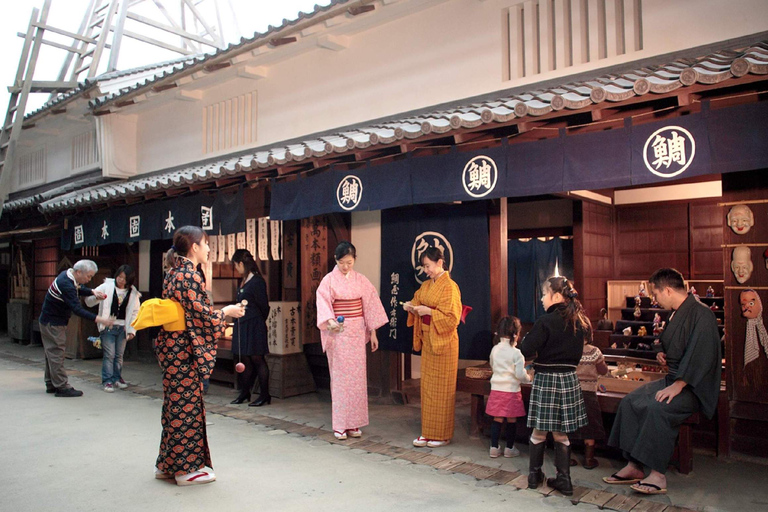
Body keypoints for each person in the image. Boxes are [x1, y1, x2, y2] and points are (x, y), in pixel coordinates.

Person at [604, 268, 721, 495]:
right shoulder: (675, 313)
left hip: (693, 387)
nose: (655, 299)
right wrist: (662, 353)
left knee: (658, 408)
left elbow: (702, 354)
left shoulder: (702, 314)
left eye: (656, 294)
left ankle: (658, 475)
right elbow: (671, 344)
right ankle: (634, 466)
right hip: (673, 378)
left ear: (667, 290)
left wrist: (679, 385)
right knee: (631, 401)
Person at [154, 226, 245, 486]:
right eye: (205, 244)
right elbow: (202, 317)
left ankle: (167, 465)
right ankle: (186, 470)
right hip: (184, 350)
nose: (208, 249)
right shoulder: (188, 276)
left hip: (172, 348)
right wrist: (225, 312)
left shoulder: (172, 273)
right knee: (187, 408)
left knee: (174, 406)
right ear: (193, 247)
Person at [519, 276, 590, 496]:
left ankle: (534, 476)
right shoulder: (580, 321)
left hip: (546, 379)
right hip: (568, 379)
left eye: (544, 293)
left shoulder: (545, 321)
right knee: (561, 435)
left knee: (539, 433)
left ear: (556, 296)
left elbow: (526, 348)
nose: (541, 299)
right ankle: (564, 480)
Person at [316, 241, 388, 440]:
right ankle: (340, 424)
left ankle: (354, 423)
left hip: (357, 334)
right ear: (335, 261)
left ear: (354, 259)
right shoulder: (328, 281)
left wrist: (373, 332)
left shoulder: (361, 280)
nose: (346, 266)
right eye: (342, 263)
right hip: (338, 334)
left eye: (349, 262)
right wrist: (330, 322)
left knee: (357, 380)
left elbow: (370, 306)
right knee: (340, 380)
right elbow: (323, 304)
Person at [403, 247, 462, 448]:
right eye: (424, 267)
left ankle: (442, 435)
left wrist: (428, 310)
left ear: (440, 262)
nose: (425, 270)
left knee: (442, 390)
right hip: (429, 340)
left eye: (428, 266)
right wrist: (410, 306)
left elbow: (452, 318)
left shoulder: (450, 286)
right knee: (428, 387)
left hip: (444, 342)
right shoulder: (427, 285)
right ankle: (428, 432)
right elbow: (417, 298)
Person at [39, 259, 113, 397]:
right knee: (56, 354)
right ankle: (61, 387)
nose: (89, 279)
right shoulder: (66, 283)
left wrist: (91, 292)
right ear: (79, 272)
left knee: (52, 354)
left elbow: (77, 289)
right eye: (89, 276)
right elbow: (77, 309)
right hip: (53, 323)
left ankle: (51, 383)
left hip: (50, 321)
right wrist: (100, 319)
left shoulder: (67, 275)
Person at [85, 264, 141, 393]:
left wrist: (132, 330)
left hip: (123, 327)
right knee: (109, 355)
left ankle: (117, 378)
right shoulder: (106, 286)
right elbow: (89, 301)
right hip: (108, 325)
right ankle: (107, 380)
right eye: (119, 277)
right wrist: (96, 297)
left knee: (119, 355)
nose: (120, 280)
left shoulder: (133, 293)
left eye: (124, 278)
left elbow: (135, 313)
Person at [229, 249, 271, 406]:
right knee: (244, 358)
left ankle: (265, 395)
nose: (236, 269)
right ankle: (244, 393)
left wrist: (257, 320)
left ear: (241, 263)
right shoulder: (244, 281)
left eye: (236, 265)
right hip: (243, 324)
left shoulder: (257, 281)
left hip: (254, 325)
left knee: (257, 359)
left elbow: (264, 306)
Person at [486, 316, 530, 458]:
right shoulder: (516, 353)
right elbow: (520, 374)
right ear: (516, 334)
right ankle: (509, 449)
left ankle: (494, 447)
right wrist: (528, 377)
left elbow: (493, 366)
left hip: (497, 389)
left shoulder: (495, 350)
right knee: (512, 420)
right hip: (511, 391)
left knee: (497, 419)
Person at [569, 338, 608, 469]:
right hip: (589, 393)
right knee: (590, 426)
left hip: (571, 391)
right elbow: (603, 370)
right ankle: (589, 460)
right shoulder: (594, 352)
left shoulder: (570, 348)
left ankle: (566, 458)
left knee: (569, 425)